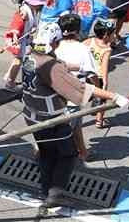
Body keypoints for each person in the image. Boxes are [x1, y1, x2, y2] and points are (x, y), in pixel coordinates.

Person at [21, 23, 129, 218]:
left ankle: (46, 189)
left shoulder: (30, 56)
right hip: (51, 119)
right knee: (68, 154)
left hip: (32, 116)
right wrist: (113, 96)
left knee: (47, 153)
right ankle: (55, 193)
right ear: (55, 42)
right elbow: (81, 89)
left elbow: (55, 68)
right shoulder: (51, 67)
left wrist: (71, 66)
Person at [55, 14, 99, 160]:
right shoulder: (83, 49)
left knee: (76, 124)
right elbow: (92, 75)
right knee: (60, 131)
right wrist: (98, 91)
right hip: (74, 96)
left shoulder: (54, 47)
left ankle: (83, 152)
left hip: (53, 94)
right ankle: (40, 154)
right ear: (78, 30)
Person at [3, 0, 45, 92]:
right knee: (18, 60)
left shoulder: (31, 10)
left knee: (17, 59)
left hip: (22, 39)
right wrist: (15, 35)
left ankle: (9, 76)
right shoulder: (24, 11)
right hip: (18, 39)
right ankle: (10, 82)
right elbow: (17, 23)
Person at [84, 19, 116, 129]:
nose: (114, 35)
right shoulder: (107, 49)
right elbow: (104, 68)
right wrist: (105, 84)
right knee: (102, 99)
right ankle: (99, 120)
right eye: (113, 33)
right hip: (98, 78)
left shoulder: (89, 41)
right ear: (106, 35)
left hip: (85, 75)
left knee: (81, 97)